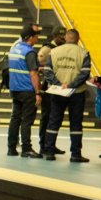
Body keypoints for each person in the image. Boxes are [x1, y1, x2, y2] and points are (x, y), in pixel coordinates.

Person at [41, 29, 92, 162]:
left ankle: (49, 152)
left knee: (53, 121)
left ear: (65, 37)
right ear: (78, 38)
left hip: (58, 92)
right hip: (77, 93)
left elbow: (47, 71)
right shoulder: (84, 53)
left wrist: (58, 85)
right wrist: (71, 85)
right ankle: (75, 154)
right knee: (76, 124)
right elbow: (85, 73)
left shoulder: (54, 52)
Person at [6, 24, 43, 158]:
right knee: (27, 121)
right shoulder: (30, 52)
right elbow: (33, 74)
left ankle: (11, 148)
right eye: (36, 36)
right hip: (27, 90)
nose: (37, 38)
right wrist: (38, 93)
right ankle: (26, 148)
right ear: (30, 38)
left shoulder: (15, 49)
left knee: (15, 118)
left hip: (15, 89)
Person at [37, 26, 67, 155]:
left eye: (64, 36)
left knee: (55, 118)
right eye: (61, 36)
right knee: (47, 117)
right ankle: (43, 144)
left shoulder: (62, 49)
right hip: (48, 88)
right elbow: (37, 63)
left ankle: (51, 144)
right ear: (55, 36)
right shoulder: (47, 48)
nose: (63, 38)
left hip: (58, 87)